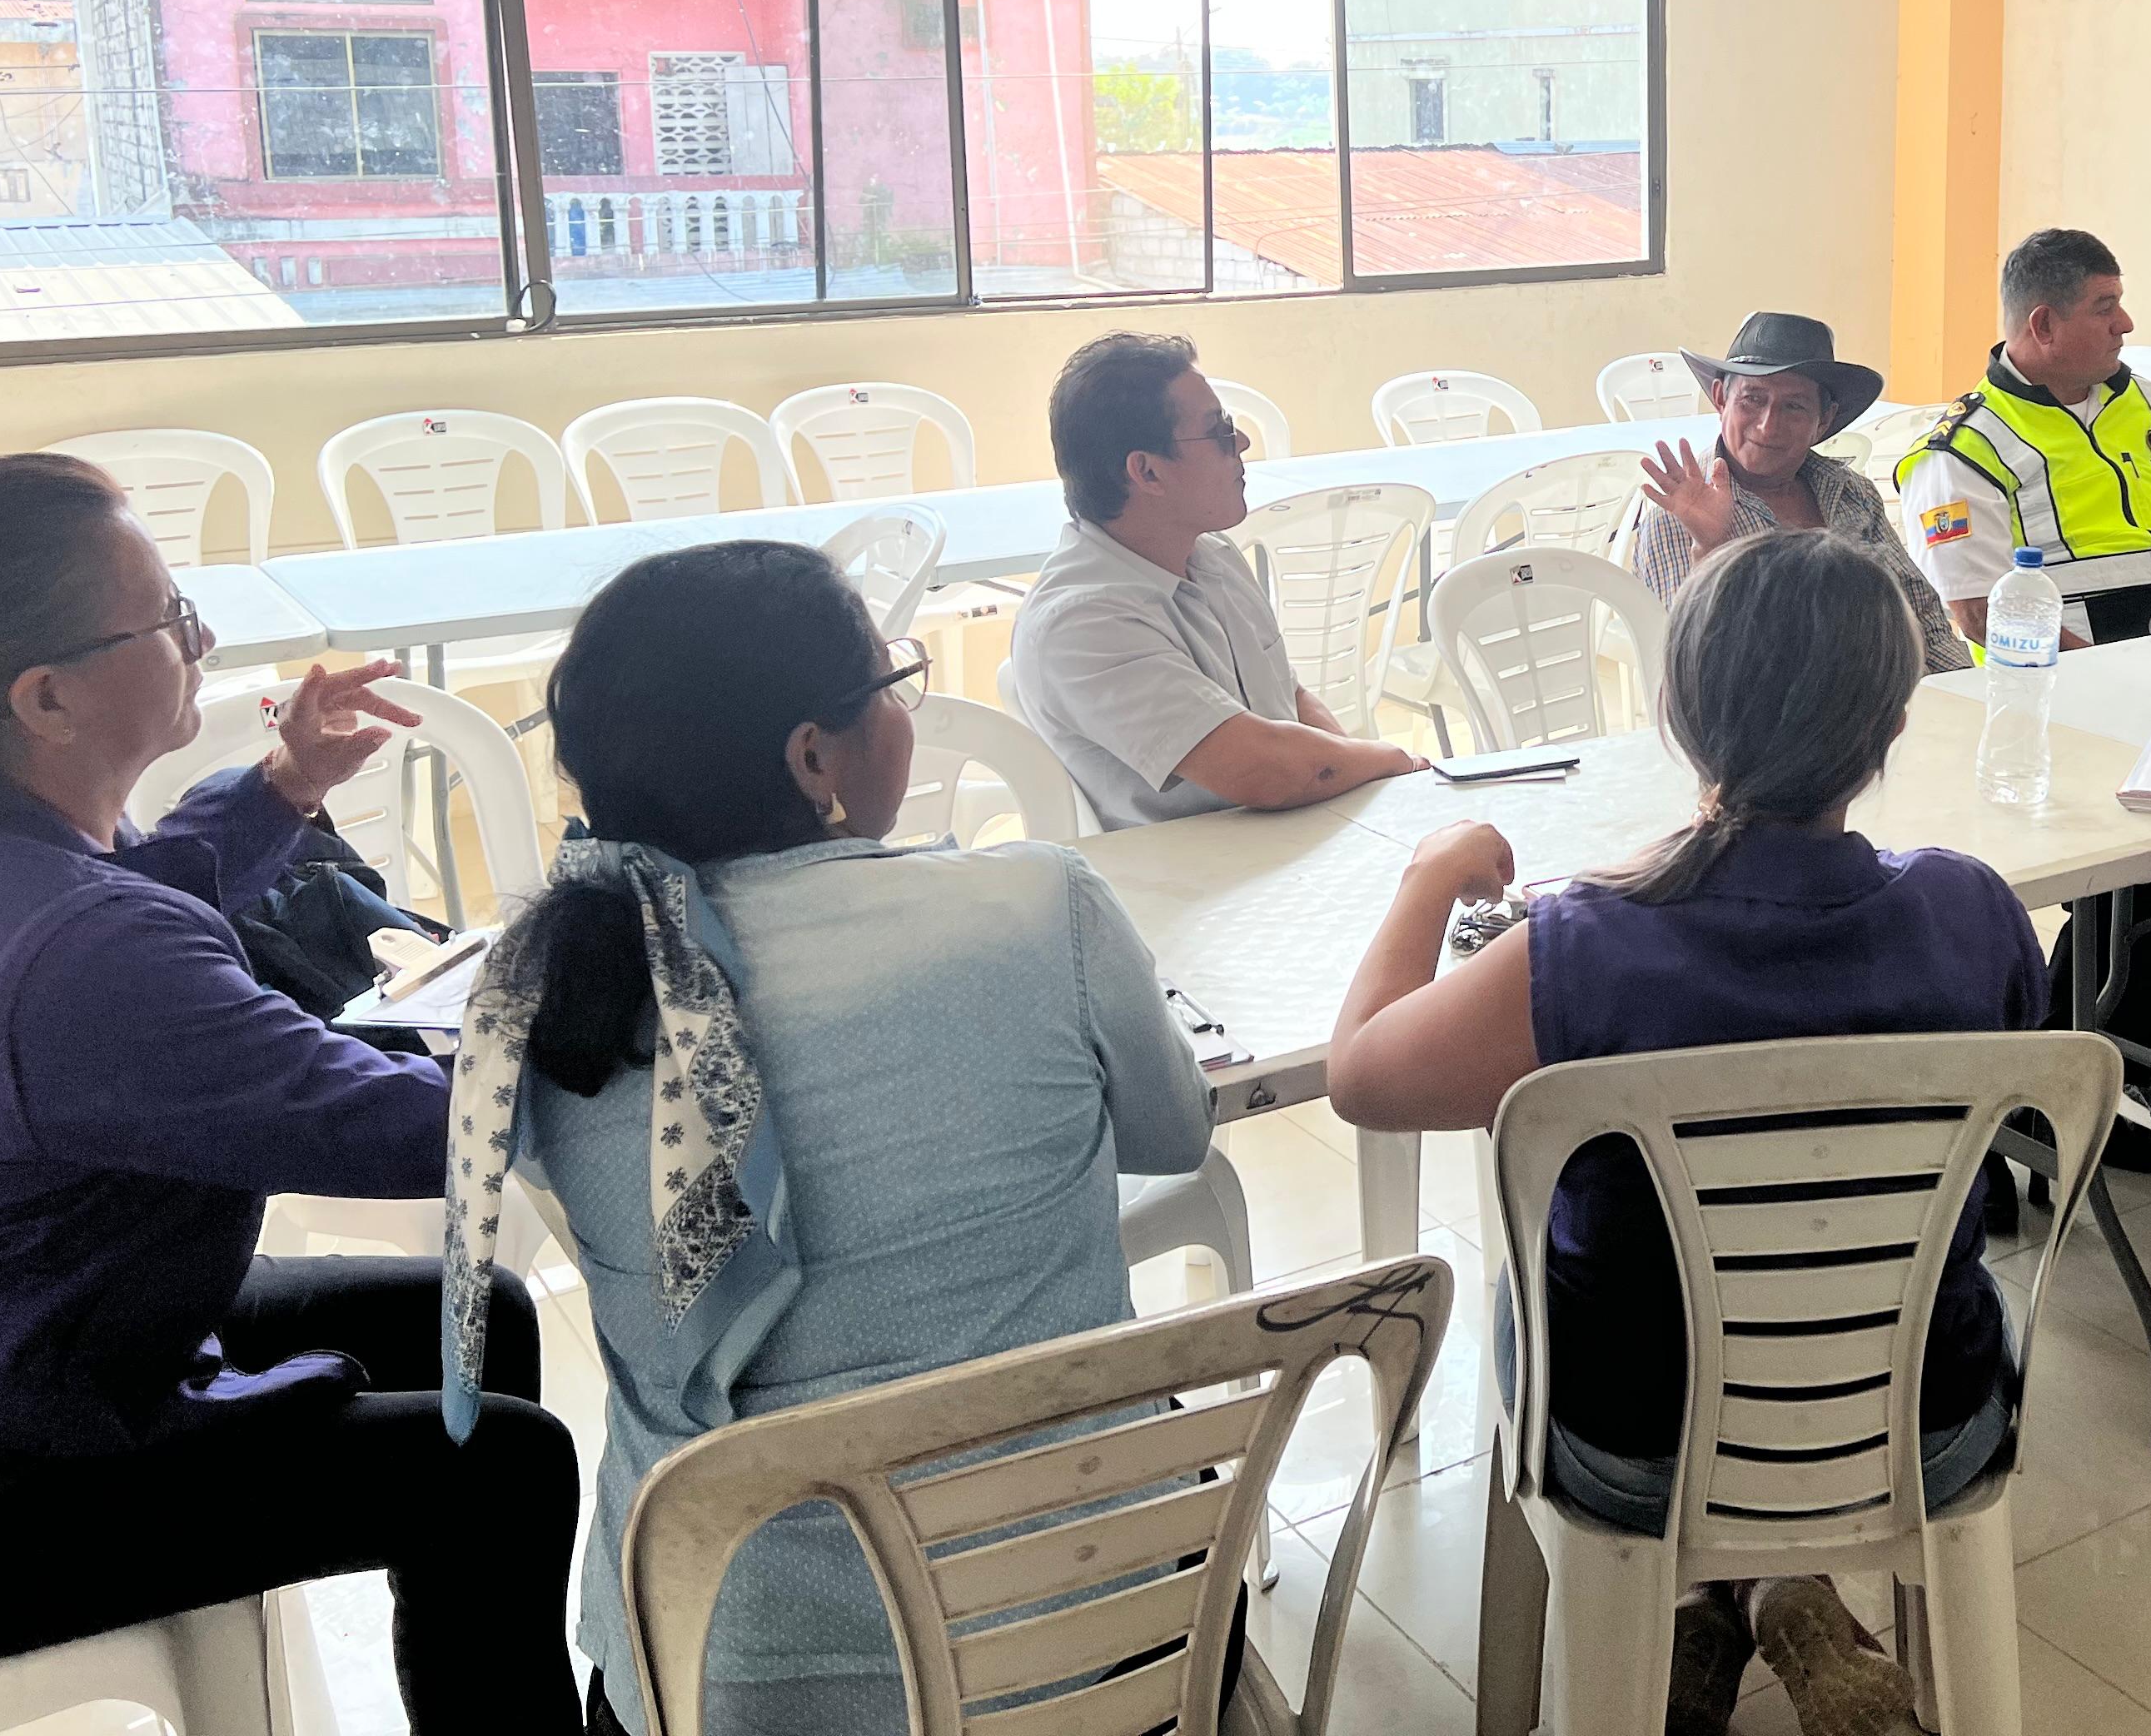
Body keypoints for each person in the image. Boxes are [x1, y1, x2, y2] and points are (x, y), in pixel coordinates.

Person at [447, 540, 1221, 1736]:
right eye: (891, 685)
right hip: (1084, 1635)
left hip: (714, 1674)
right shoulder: (1037, 905)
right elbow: (1173, 1135)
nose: (906, 712)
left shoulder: (536, 1006)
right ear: (814, 757)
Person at [1328, 530, 2044, 1736]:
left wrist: (1428, 875)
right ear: (1892, 724)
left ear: (1677, 713)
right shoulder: (1972, 910)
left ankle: (1704, 1598)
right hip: (1926, 1420)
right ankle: (1767, 1584)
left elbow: (1360, 1075)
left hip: (1641, 1441)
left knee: (1530, 1288)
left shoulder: (1585, 948)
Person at [0, 453, 580, 1731]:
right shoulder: (80, 957)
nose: (202, 639)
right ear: (47, 698)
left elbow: (134, 897)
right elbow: (415, 1134)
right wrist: (593, 1025)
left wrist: (284, 786)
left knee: (476, 1314)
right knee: (503, 1467)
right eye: (169, 617)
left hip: (14, 1333)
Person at [1897, 227, 2151, 1144]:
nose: (2127, 323)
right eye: (2105, 306)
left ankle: (2135, 1061)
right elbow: (1979, 613)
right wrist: (2113, 685)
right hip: (2067, 702)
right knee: (2136, 874)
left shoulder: (2146, 402)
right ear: (2042, 324)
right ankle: (2069, 1074)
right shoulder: (1963, 450)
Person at [1014, 330, 1422, 828]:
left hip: (1285, 843)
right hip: (1191, 871)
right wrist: (1393, 760)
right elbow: (1265, 771)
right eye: (1220, 431)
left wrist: (1365, 781)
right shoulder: (1083, 622)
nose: (1242, 443)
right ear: (1147, 472)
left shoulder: (1213, 556)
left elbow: (1291, 700)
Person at [1631, 308, 1969, 671]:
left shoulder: (1852, 494)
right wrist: (1713, 549)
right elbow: (1699, 673)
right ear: (1720, 398)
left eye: (1794, 406)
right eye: (1752, 399)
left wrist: (1964, 690)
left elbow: (1923, 617)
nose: (1768, 425)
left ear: (1823, 420)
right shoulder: (1677, 519)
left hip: (1899, 699)